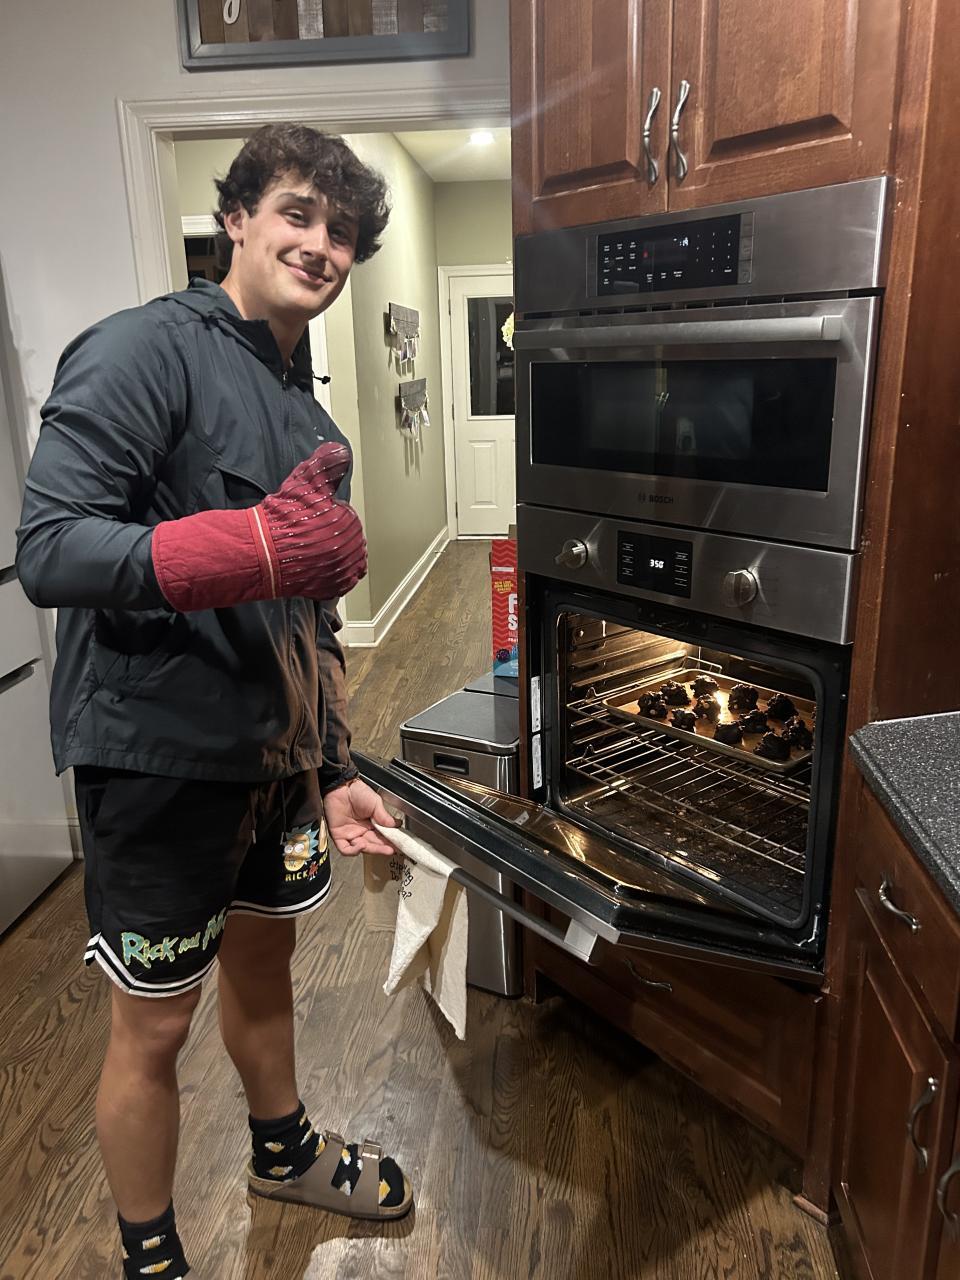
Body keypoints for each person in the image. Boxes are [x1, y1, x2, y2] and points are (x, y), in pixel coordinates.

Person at [16, 124, 412, 1280]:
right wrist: (242, 545)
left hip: (272, 762)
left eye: (343, 230)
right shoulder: (144, 352)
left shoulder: (312, 421)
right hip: (158, 761)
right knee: (153, 1023)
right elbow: (50, 547)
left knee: (264, 964)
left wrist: (332, 767)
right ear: (236, 218)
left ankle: (283, 1152)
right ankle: (152, 1258)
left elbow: (309, 622)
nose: (322, 243)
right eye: (298, 213)